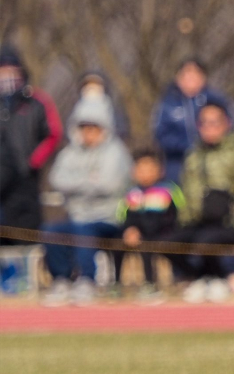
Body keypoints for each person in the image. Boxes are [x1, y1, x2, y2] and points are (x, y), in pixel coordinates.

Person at [40, 98, 132, 306]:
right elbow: (57, 179)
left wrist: (77, 185)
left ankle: (86, 280)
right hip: (76, 216)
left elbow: (110, 184)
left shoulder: (116, 152)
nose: (89, 133)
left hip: (108, 218)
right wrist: (89, 181)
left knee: (83, 229)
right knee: (51, 230)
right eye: (84, 128)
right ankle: (61, 279)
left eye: (94, 128)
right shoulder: (70, 153)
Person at [172, 101, 234, 302]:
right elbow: (185, 191)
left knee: (207, 241)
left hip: (226, 223)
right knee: (168, 242)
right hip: (197, 221)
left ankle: (219, 279)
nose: (209, 128)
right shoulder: (193, 156)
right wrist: (185, 219)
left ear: (226, 124)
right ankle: (199, 278)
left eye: (214, 123)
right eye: (204, 123)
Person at [0, 45, 63, 249]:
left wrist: (33, 161)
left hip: (26, 177)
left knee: (26, 231)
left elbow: (53, 133)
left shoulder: (37, 101)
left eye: (11, 70)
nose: (7, 76)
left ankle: (25, 277)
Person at [151, 57, 232, 184]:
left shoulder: (215, 99)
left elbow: (229, 128)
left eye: (195, 74)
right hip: (177, 165)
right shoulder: (168, 102)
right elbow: (161, 134)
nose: (190, 79)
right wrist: (188, 146)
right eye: (186, 74)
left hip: (213, 161)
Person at [118, 149, 184, 299]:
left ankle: (182, 277)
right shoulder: (132, 193)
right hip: (142, 236)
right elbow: (125, 217)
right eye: (141, 169)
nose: (145, 174)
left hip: (166, 233)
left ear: (160, 171)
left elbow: (176, 216)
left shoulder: (168, 190)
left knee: (166, 246)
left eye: (149, 169)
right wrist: (130, 230)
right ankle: (144, 284)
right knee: (135, 244)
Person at [75, 70, 132, 141]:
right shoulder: (76, 111)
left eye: (96, 85)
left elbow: (122, 132)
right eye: (88, 86)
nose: (91, 89)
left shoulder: (113, 112)